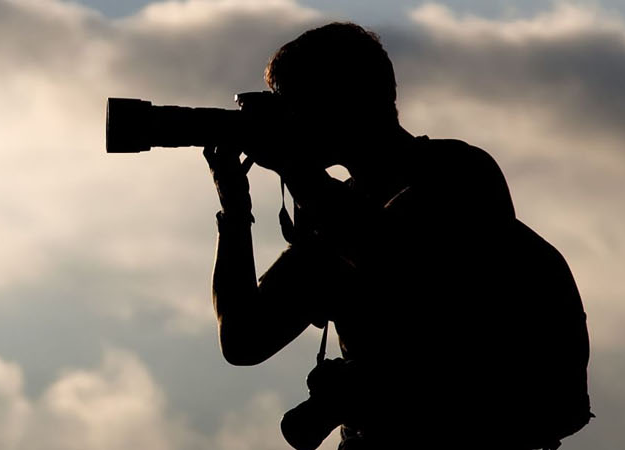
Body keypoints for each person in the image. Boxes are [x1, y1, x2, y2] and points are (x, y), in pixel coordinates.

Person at [205, 23, 592, 450]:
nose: (285, 121)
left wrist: (296, 169)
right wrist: (235, 211)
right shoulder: (332, 215)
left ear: (342, 101)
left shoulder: (458, 171)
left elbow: (398, 261)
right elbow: (244, 339)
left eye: (292, 103)